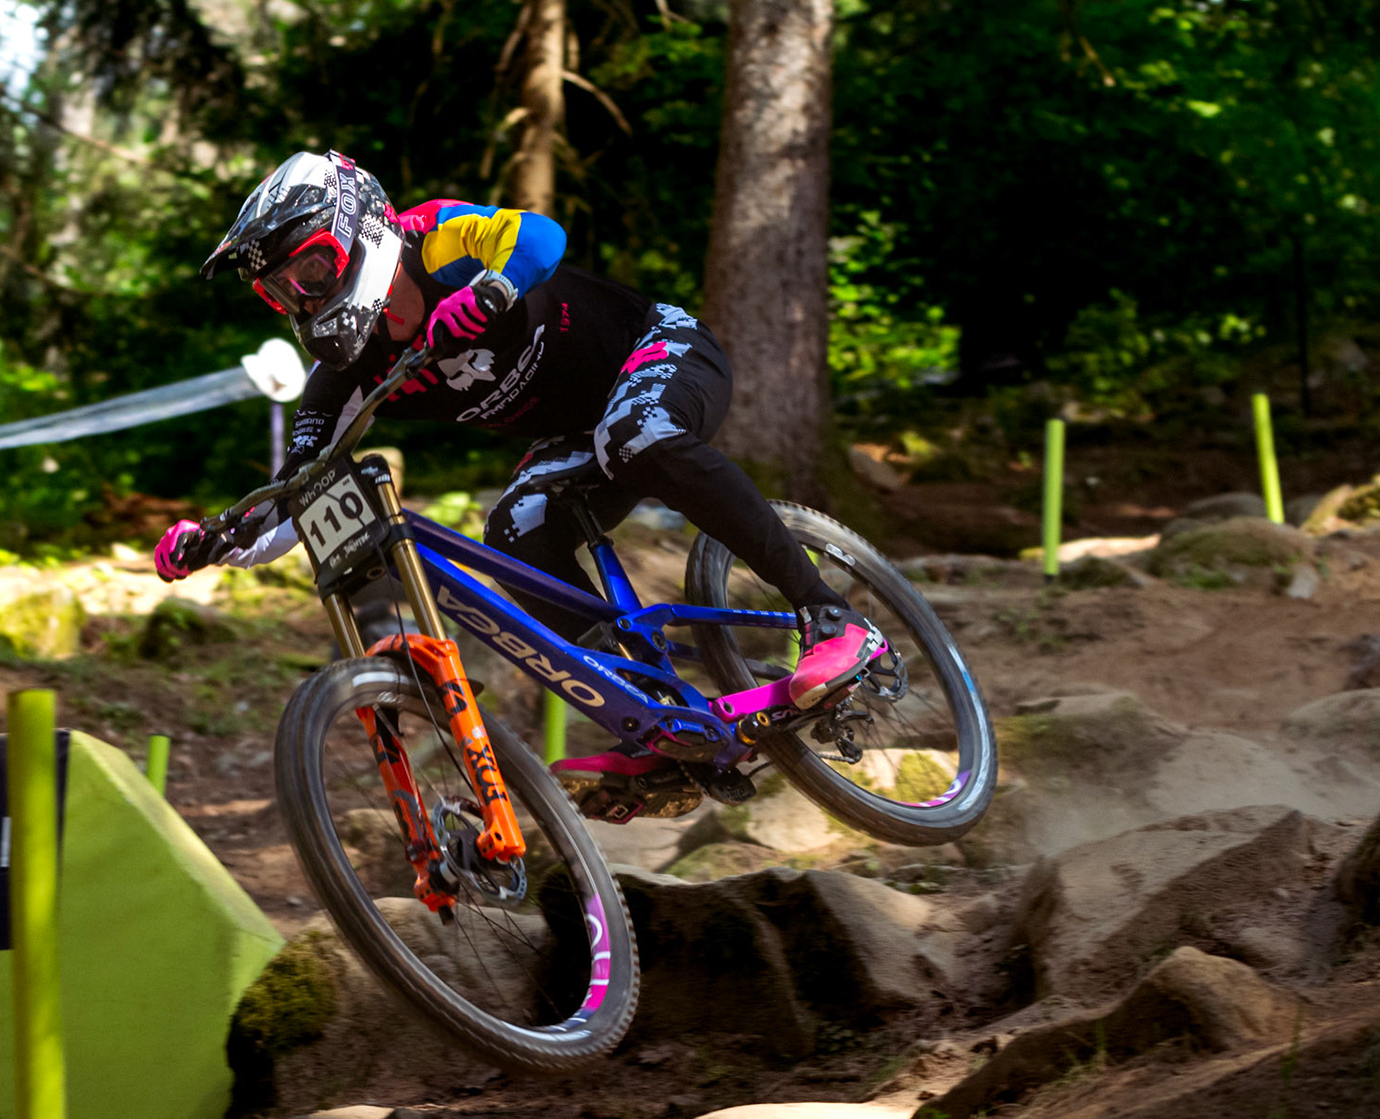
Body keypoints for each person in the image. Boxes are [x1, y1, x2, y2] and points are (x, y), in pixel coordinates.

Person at [155, 150, 882, 739]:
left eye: (311, 271)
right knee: (512, 530)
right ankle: (653, 712)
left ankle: (829, 614)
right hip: (578, 435)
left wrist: (492, 289)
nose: (305, 299)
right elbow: (298, 485)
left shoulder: (432, 240)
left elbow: (539, 238)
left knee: (633, 435)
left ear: (356, 227)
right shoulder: (345, 375)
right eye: (284, 292)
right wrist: (219, 538)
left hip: (658, 347)